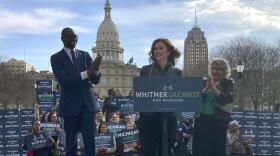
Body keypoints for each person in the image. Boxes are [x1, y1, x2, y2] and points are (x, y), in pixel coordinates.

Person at [50, 27, 102, 156]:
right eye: (70, 36)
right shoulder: (56, 58)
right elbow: (64, 81)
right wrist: (87, 73)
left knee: (90, 140)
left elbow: (95, 80)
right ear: (62, 39)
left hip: (87, 104)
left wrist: (96, 68)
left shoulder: (85, 55)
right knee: (71, 141)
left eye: (75, 37)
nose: (74, 39)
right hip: (70, 105)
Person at [137, 38, 181, 156]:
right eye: (155, 49)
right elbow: (140, 94)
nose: (157, 51)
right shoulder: (145, 71)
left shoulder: (177, 72)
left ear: (169, 51)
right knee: (148, 151)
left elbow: (180, 94)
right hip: (148, 119)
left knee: (166, 150)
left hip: (169, 118)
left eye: (161, 48)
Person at [192, 58, 235, 156]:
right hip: (201, 120)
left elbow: (226, 99)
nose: (214, 71)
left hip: (219, 121)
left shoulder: (228, 82)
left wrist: (213, 88)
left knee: (217, 149)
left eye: (218, 69)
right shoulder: (203, 81)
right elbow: (195, 99)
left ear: (224, 71)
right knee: (201, 149)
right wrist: (206, 88)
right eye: (213, 68)